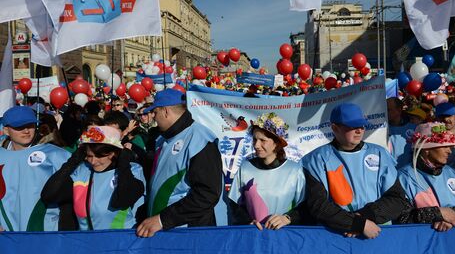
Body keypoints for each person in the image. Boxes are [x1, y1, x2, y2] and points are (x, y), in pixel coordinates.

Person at [302, 103, 410, 239]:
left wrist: (363, 219)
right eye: (352, 126)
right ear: (335, 128)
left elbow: (397, 199)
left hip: (377, 233)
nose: (359, 130)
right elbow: (318, 205)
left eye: (361, 125)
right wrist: (356, 223)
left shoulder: (380, 153)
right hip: (336, 236)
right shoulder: (316, 159)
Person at [136, 89, 224, 237]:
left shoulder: (200, 139)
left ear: (165, 111)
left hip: (187, 231)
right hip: (161, 230)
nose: (153, 117)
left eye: (155, 112)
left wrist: (163, 219)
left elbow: (207, 194)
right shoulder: (162, 139)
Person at [41, 125, 145, 230]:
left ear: (113, 153)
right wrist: (73, 161)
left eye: (99, 156)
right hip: (87, 242)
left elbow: (122, 200)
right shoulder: (82, 171)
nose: (93, 162)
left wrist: (123, 162)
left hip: (120, 241)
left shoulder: (133, 170)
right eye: (89, 156)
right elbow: (49, 195)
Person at [228, 112, 305, 230]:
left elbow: (305, 206)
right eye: (254, 140)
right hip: (253, 235)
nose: (256, 145)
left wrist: (287, 218)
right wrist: (248, 222)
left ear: (276, 143)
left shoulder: (294, 170)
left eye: (262, 140)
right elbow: (234, 204)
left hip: (283, 236)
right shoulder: (245, 168)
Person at [0, 106, 72, 231]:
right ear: (6, 130)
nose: (26, 131)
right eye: (19, 127)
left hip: (44, 229)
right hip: (6, 232)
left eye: (31, 125)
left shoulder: (54, 154)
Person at [397, 122, 455, 231]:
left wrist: (454, 218)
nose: (449, 151)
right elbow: (402, 218)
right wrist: (437, 213)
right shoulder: (403, 178)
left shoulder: (453, 173)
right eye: (444, 146)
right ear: (427, 149)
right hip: (421, 243)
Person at [387, 97, 417, 169]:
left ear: (399, 110)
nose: (385, 112)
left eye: (388, 109)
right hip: (389, 174)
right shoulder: (381, 129)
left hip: (409, 174)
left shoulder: (414, 128)